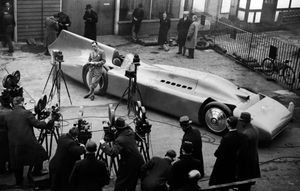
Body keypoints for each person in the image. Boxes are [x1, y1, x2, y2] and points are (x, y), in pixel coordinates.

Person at [4, 96, 49, 187]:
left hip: (14, 144)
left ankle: (19, 182)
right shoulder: (26, 113)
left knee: (17, 163)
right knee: (41, 154)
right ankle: (36, 172)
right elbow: (38, 124)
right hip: (27, 142)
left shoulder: (7, 115)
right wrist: (47, 120)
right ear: (22, 103)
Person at [100, 117, 145, 191]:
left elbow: (112, 153)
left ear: (117, 128)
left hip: (129, 164)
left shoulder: (120, 140)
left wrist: (103, 144)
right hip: (139, 161)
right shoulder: (130, 132)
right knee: (132, 184)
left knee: (120, 184)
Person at [209, 116, 248, 186]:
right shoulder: (242, 136)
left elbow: (219, 152)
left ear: (228, 125)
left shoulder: (226, 138)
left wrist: (216, 153)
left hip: (223, 162)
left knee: (217, 179)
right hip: (233, 162)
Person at [237, 112, 261, 191]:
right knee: (249, 178)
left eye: (240, 121)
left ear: (243, 121)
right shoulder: (255, 129)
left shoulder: (245, 134)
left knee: (243, 181)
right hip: (254, 157)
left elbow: (242, 151)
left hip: (246, 161)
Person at [0, 98, 10, 174]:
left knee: (1, 153)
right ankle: (10, 168)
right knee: (9, 152)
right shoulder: (10, 112)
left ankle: (2, 169)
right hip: (7, 134)